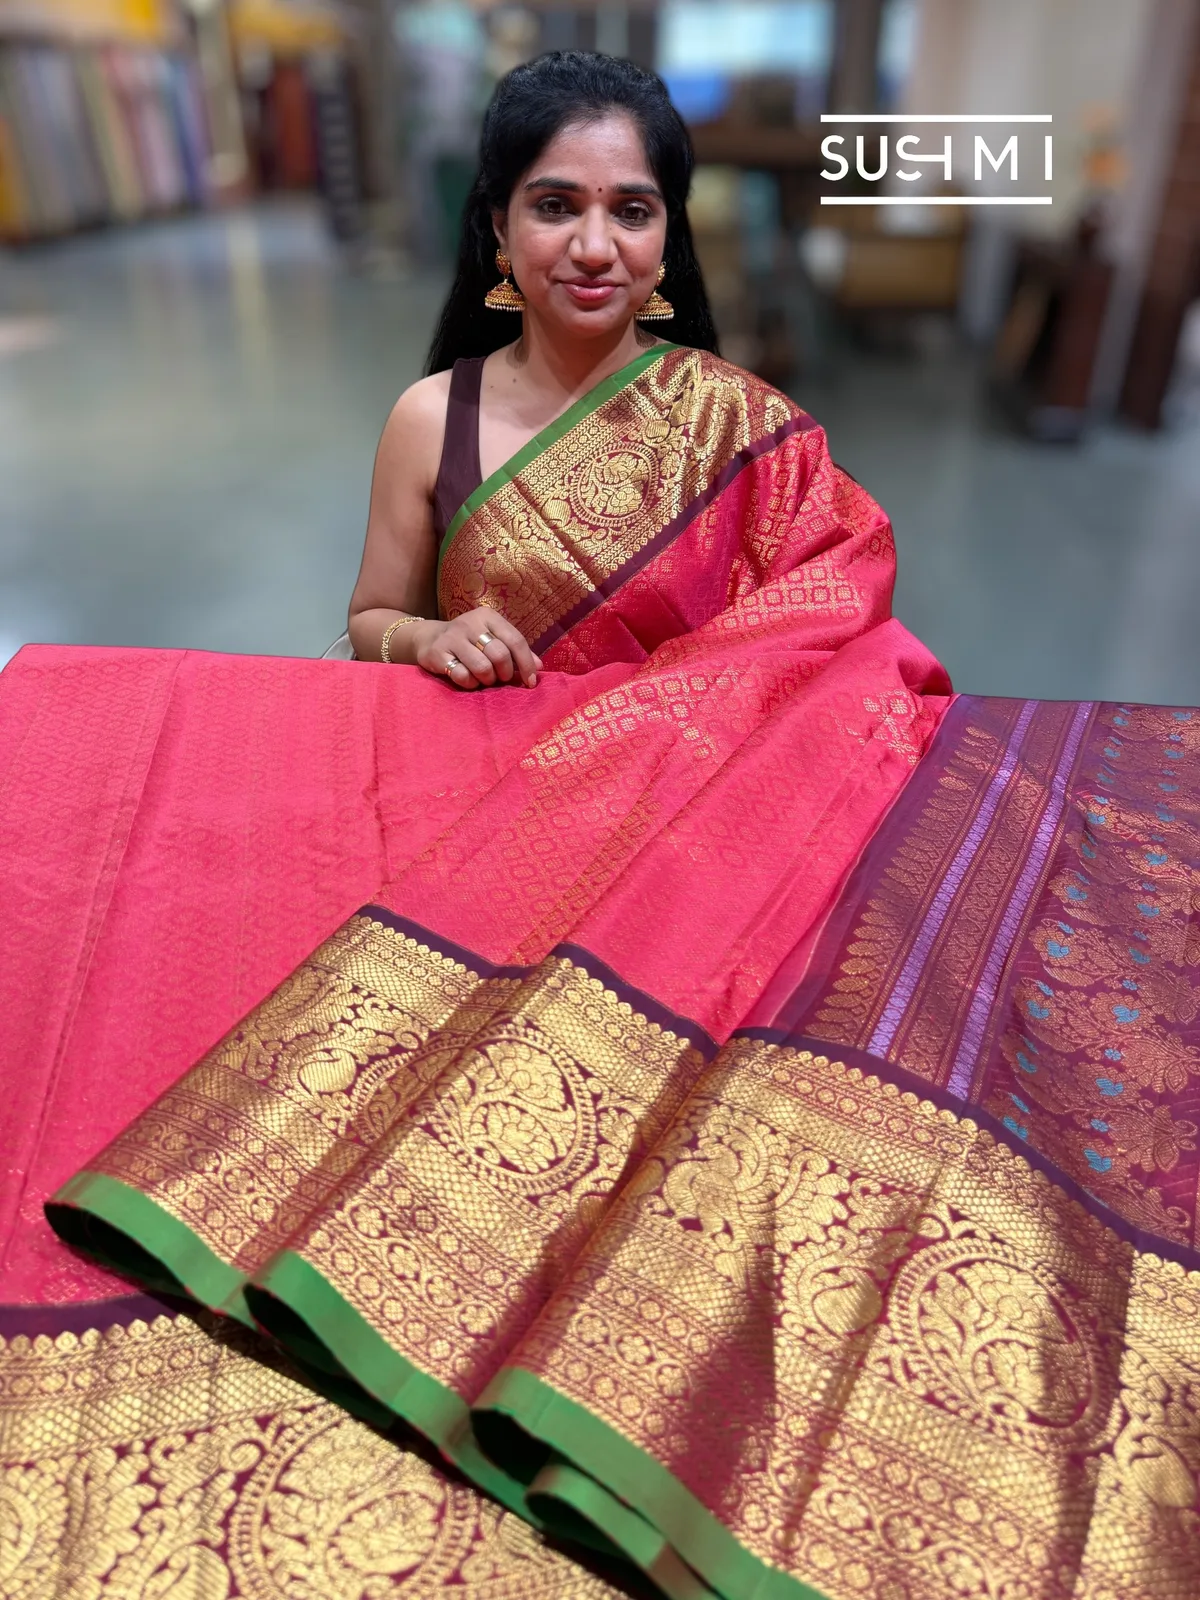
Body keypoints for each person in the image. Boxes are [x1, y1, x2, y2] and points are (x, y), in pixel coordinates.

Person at [4, 52, 1195, 1600]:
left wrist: (682, 726)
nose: (593, 244)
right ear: (495, 229)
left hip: (696, 846)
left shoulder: (738, 425)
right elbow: (365, 615)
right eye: (555, 205)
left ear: (667, 236)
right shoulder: (432, 421)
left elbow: (840, 608)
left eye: (631, 210)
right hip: (485, 833)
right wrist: (425, 642)